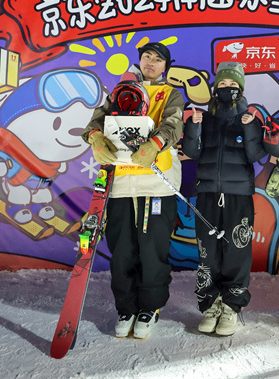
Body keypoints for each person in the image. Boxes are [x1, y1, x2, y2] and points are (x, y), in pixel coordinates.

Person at [82, 42, 184, 339]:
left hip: (156, 184)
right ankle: (126, 307)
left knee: (153, 251)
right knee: (122, 252)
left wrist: (154, 144)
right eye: (146, 57)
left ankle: (150, 307)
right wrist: (95, 138)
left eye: (158, 59)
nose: (151, 62)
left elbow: (174, 125)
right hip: (120, 185)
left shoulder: (170, 94)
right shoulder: (120, 91)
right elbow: (95, 121)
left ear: (166, 66)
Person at [181, 62, 267, 336]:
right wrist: (193, 128)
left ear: (240, 88)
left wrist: (250, 128)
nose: (227, 88)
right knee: (207, 253)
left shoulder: (251, 118)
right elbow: (192, 153)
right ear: (215, 87)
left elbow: (256, 155)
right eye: (223, 84)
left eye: (233, 84)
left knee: (236, 252)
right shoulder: (204, 118)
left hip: (238, 196)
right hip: (207, 194)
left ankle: (231, 305)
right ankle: (210, 305)